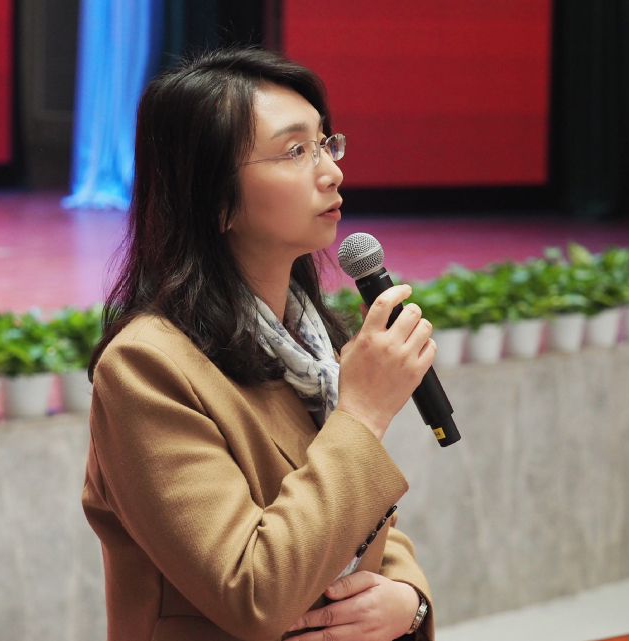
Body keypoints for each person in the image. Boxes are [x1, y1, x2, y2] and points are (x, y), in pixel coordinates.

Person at [82, 47, 436, 641]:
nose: (331, 172)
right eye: (295, 151)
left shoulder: (309, 340)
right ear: (215, 199)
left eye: (324, 143)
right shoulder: (146, 367)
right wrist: (362, 414)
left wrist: (408, 598)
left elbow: (364, 512)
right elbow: (251, 592)